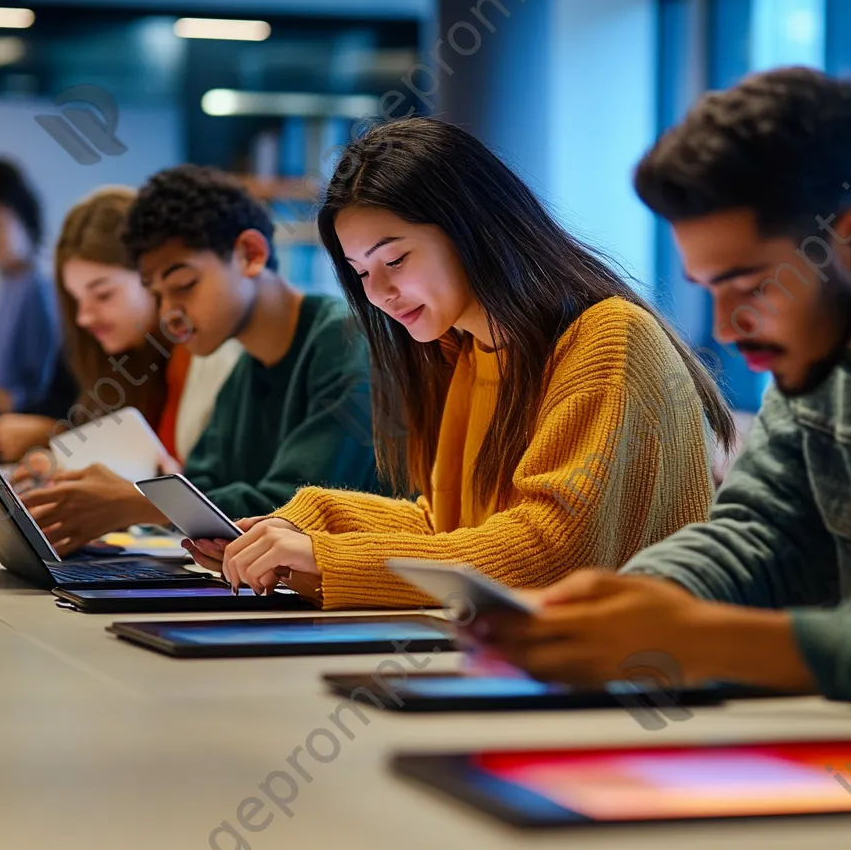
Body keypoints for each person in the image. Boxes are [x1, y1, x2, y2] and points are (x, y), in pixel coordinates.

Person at [479, 67, 851, 725]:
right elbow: (759, 529)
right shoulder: (820, 343)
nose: (724, 328)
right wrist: (617, 611)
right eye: (707, 287)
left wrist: (703, 640)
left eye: (748, 286)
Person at [189, 118, 734, 609]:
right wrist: (308, 524)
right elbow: (445, 528)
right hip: (529, 659)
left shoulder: (608, 338)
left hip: (619, 677)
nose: (378, 293)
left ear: (474, 228)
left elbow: (549, 553)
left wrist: (328, 555)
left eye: (395, 259)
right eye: (359, 272)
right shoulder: (467, 350)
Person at [21, 166, 382, 554]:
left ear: (250, 254)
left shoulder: (346, 342)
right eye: (159, 295)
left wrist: (136, 503)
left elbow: (298, 508)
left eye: (184, 286)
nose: (169, 314)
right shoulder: (248, 368)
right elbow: (199, 484)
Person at [0, 186, 241, 467]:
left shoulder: (203, 357)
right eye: (76, 300)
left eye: (103, 295)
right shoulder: (94, 346)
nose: (84, 318)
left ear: (155, 279)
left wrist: (57, 439)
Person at [0, 158, 58, 416]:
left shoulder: (40, 286)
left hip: (20, 422)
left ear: (23, 219)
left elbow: (37, 392)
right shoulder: (2, 280)